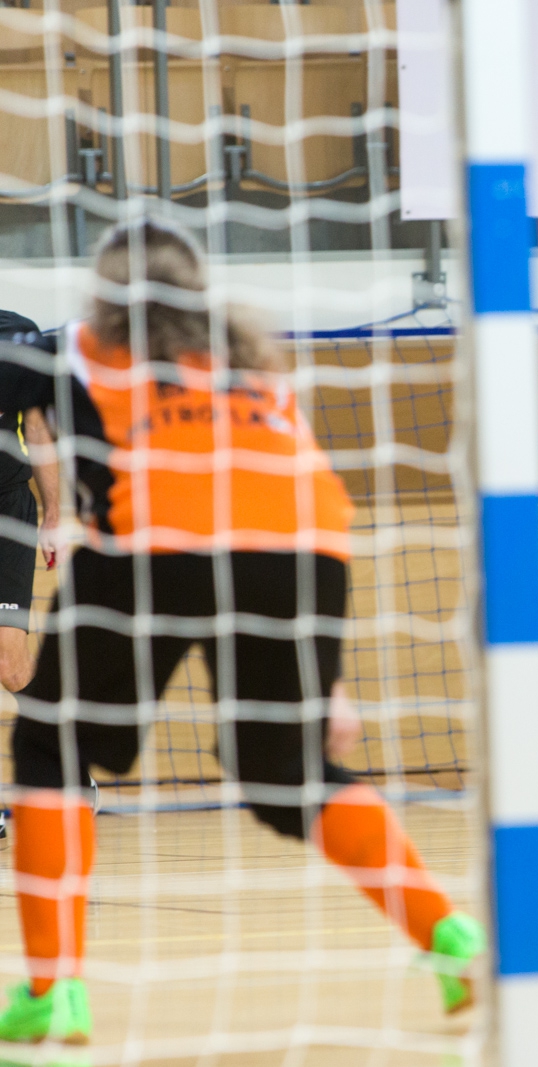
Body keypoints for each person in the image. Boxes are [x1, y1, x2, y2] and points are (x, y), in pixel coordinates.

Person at [0, 220, 484, 1045]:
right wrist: (325, 680)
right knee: (287, 770)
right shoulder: (250, 368)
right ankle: (448, 934)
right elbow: (295, 494)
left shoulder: (79, 349)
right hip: (303, 552)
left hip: (164, 538)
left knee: (50, 745)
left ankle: (55, 990)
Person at [0, 311, 60, 694]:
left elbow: (37, 427)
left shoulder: (18, 336)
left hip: (7, 509)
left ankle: (51, 728)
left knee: (10, 668)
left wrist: (53, 514)